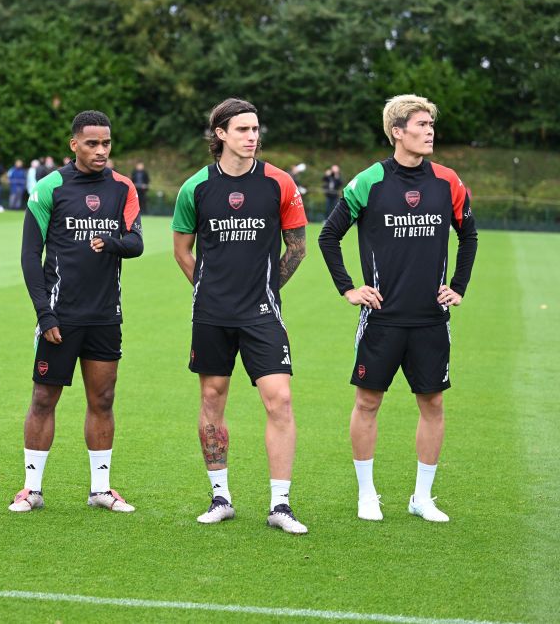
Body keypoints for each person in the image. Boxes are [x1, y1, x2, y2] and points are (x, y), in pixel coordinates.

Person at [318, 94, 477, 523]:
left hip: (430, 319)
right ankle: (367, 494)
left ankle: (422, 497)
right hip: (381, 320)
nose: (430, 132)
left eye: (431, 125)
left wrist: (457, 286)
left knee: (433, 405)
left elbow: (470, 235)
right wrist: (349, 288)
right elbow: (328, 236)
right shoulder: (369, 181)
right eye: (421, 125)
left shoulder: (447, 181)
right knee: (368, 402)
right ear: (397, 131)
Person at [171, 97, 309, 534]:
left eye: (255, 130)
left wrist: (263, 291)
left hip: (262, 313)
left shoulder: (279, 183)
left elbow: (297, 248)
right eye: (243, 130)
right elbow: (182, 250)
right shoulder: (195, 188)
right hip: (211, 314)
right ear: (221, 135)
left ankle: (281, 505)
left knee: (280, 400)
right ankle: (221, 496)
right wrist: (209, 290)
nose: (253, 137)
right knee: (212, 398)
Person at [9, 110, 143, 514]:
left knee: (102, 399)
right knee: (44, 399)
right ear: (74, 145)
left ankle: (100, 489)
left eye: (106, 143)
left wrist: (112, 241)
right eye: (92, 143)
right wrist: (43, 314)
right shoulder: (50, 187)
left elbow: (135, 243)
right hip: (60, 317)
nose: (101, 150)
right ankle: (31, 489)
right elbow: (30, 256)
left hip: (105, 315)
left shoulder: (123, 188)